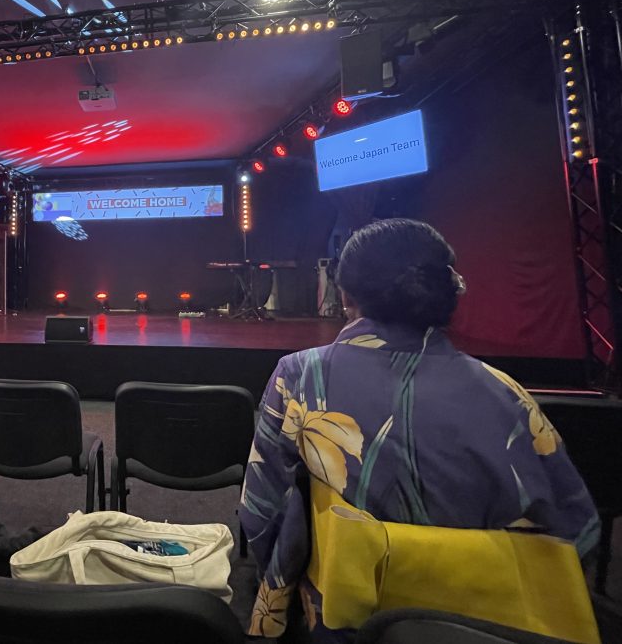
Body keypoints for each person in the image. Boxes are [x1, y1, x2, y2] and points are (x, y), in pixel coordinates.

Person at [240, 219, 599, 640]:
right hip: (487, 630)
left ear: (346, 293)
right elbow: (578, 533)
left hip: (344, 622)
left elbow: (262, 512)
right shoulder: (506, 393)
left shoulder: (300, 376)